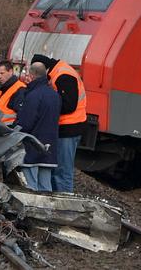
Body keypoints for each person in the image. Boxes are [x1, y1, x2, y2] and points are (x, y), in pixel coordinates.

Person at [31, 54, 87, 193]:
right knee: (58, 169)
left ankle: (66, 203)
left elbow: (69, 105)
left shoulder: (63, 76)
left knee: (63, 171)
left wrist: (47, 108)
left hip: (69, 128)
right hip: (65, 127)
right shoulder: (58, 72)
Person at [14, 62, 60, 192]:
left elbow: (26, 123)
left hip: (32, 146)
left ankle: (32, 211)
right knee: (46, 187)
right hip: (49, 146)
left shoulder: (33, 95)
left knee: (31, 186)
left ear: (32, 75)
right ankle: (48, 211)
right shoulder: (55, 95)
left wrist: (15, 133)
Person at [0, 60, 26, 125]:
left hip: (8, 130)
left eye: (2, 73)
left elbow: (21, 116)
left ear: (10, 71)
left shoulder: (20, 89)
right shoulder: (2, 88)